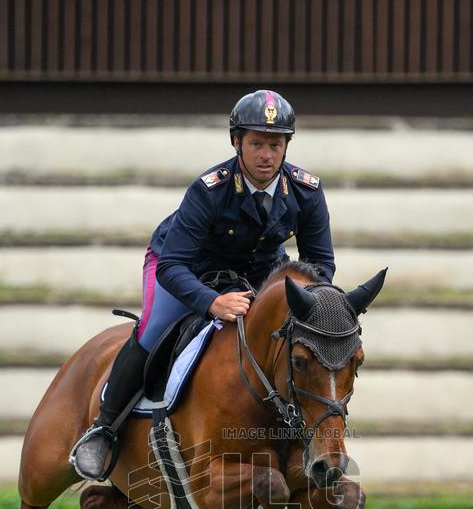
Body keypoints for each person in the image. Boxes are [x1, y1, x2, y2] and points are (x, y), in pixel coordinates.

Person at [72, 88, 336, 480]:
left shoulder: (306, 190)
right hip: (185, 267)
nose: (267, 155)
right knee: (152, 329)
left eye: (276, 145)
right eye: (257, 144)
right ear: (237, 143)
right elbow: (173, 265)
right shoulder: (209, 189)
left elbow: (321, 267)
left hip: (256, 276)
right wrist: (212, 303)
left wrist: (311, 311)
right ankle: (104, 430)